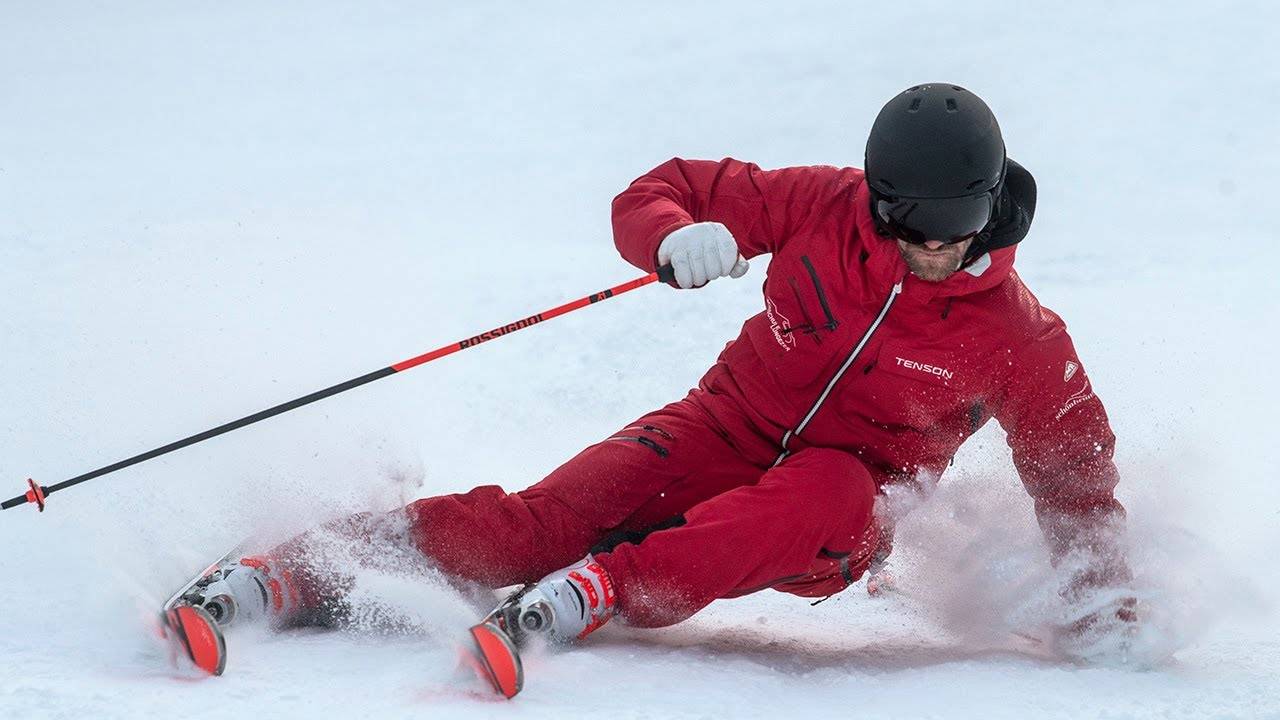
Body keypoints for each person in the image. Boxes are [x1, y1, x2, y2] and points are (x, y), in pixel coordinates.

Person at [178, 83, 1133, 650]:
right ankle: (296, 570)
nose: (927, 247)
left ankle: (601, 590)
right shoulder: (826, 205)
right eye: (904, 222)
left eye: (951, 230)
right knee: (536, 527)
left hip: (850, 498)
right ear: (878, 197)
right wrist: (676, 238)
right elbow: (659, 191)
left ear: (988, 205)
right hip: (725, 422)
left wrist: (1104, 603)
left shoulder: (1019, 334)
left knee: (821, 496)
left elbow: (1074, 474)